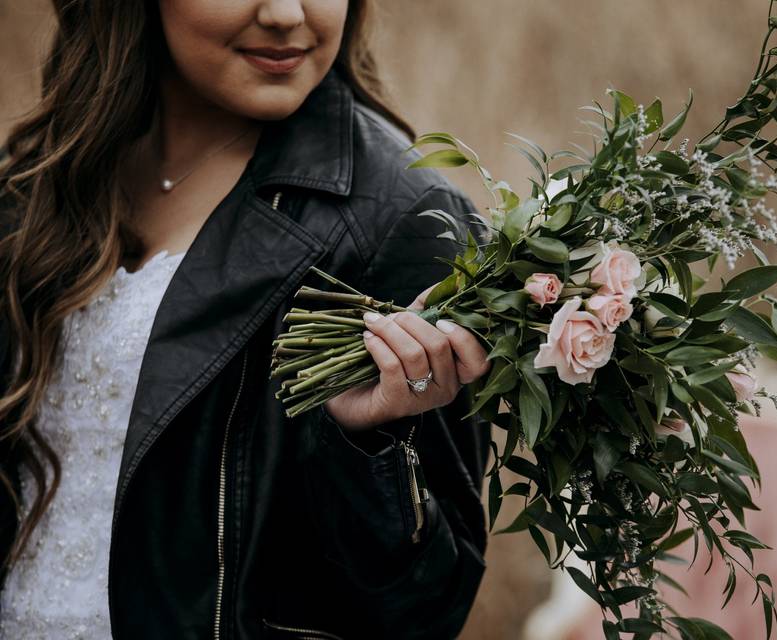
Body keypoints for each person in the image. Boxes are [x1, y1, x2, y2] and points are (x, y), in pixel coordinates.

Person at [0, 1, 494, 638]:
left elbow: (427, 610)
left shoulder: (403, 219)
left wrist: (365, 447)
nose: (288, 14)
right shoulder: (49, 174)